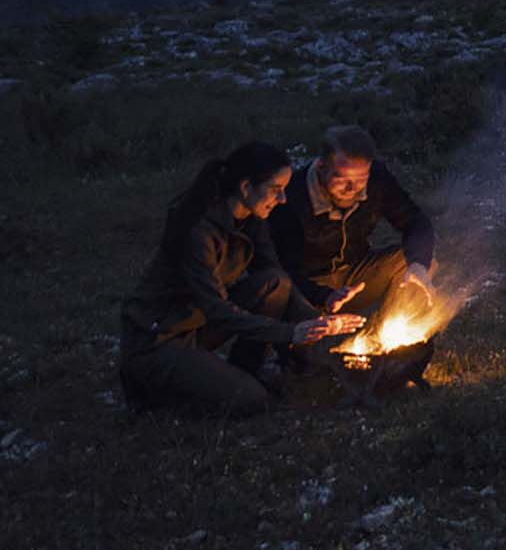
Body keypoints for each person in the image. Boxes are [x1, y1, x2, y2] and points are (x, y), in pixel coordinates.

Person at [119, 142, 365, 417]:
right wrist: (290, 333)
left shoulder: (252, 218)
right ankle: (155, 394)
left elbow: (278, 277)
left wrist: (317, 323)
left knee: (274, 284)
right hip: (158, 339)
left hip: (195, 326)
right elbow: (217, 309)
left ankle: (239, 371)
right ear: (246, 187)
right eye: (275, 189)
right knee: (251, 400)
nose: (282, 199)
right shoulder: (198, 231)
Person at [269, 124, 436, 327]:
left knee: (414, 261)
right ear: (322, 167)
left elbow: (415, 221)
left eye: (360, 180)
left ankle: (385, 338)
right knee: (312, 353)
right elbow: (283, 269)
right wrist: (324, 296)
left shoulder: (376, 180)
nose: (352, 188)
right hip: (308, 287)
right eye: (342, 179)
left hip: (356, 276)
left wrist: (418, 265)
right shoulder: (292, 197)